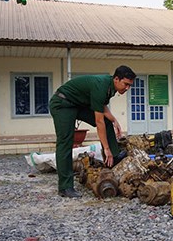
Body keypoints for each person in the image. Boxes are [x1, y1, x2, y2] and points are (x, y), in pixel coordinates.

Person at [49, 65, 136, 198]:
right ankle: (65, 187)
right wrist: (105, 148)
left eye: (129, 85)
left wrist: (113, 120)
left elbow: (101, 105)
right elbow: (98, 121)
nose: (127, 88)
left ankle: (114, 156)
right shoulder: (101, 86)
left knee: (107, 122)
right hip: (63, 104)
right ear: (117, 79)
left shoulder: (110, 86)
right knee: (66, 142)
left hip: (77, 104)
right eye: (125, 84)